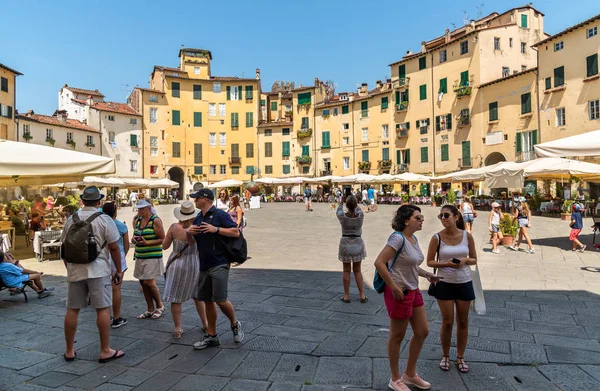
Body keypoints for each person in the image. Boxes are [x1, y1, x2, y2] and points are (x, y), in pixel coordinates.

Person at [374, 205, 438, 391]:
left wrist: (426, 274)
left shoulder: (413, 239)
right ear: (406, 220)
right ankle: (395, 379)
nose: (422, 220)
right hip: (399, 292)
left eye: (421, 217)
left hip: (413, 290)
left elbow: (410, 265)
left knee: (422, 331)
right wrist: (393, 287)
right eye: (418, 217)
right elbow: (379, 262)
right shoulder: (397, 238)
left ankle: (409, 374)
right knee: (397, 336)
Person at [61, 186, 124, 363]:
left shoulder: (70, 219)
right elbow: (113, 247)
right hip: (98, 270)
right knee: (102, 309)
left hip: (75, 270)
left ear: (82, 200)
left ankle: (69, 350)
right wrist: (118, 270)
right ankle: (105, 350)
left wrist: (70, 268)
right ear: (98, 202)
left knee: (72, 310)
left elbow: (64, 248)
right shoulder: (104, 219)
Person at [187, 189, 243, 349]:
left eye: (196, 198)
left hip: (219, 262)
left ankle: (234, 323)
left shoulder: (219, 215)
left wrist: (216, 229)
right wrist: (189, 233)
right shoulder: (198, 217)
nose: (194, 201)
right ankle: (212, 336)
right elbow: (191, 242)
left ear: (205, 199)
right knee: (207, 300)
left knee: (220, 299)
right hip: (203, 264)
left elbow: (235, 232)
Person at [426, 204, 477, 374]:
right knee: (447, 322)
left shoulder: (467, 236)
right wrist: (446, 264)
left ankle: (461, 356)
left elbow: (474, 259)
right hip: (444, 282)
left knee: (463, 322)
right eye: (440, 216)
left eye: (446, 215)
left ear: (456, 217)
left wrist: (464, 260)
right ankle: (445, 355)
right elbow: (430, 262)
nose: (443, 218)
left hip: (464, 282)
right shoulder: (436, 238)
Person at [162, 201, 209, 339]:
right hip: (194, 263)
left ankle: (177, 328)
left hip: (177, 264)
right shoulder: (199, 228)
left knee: (176, 298)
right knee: (197, 296)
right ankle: (205, 323)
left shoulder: (174, 228)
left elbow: (164, 246)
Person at [132, 199, 166, 320]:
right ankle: (150, 308)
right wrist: (134, 240)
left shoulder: (155, 220)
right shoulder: (138, 220)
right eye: (138, 209)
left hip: (152, 255)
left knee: (149, 283)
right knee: (143, 283)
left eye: (141, 208)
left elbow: (163, 238)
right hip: (140, 255)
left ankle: (160, 305)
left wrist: (147, 243)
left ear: (148, 208)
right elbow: (135, 234)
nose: (139, 211)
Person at [102, 202, 129, 328]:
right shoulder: (121, 226)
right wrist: (123, 256)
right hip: (118, 256)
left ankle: (105, 315)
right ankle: (117, 317)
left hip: (103, 256)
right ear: (115, 212)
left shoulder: (101, 224)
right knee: (116, 288)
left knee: (104, 286)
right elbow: (126, 244)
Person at [337, 195, 367, 303]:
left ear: (347, 205)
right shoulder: (361, 216)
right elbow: (358, 209)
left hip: (345, 242)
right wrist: (355, 202)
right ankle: (362, 295)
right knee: (357, 270)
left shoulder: (342, 216)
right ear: (356, 204)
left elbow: (338, 210)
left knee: (346, 270)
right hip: (358, 243)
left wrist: (341, 202)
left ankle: (346, 295)